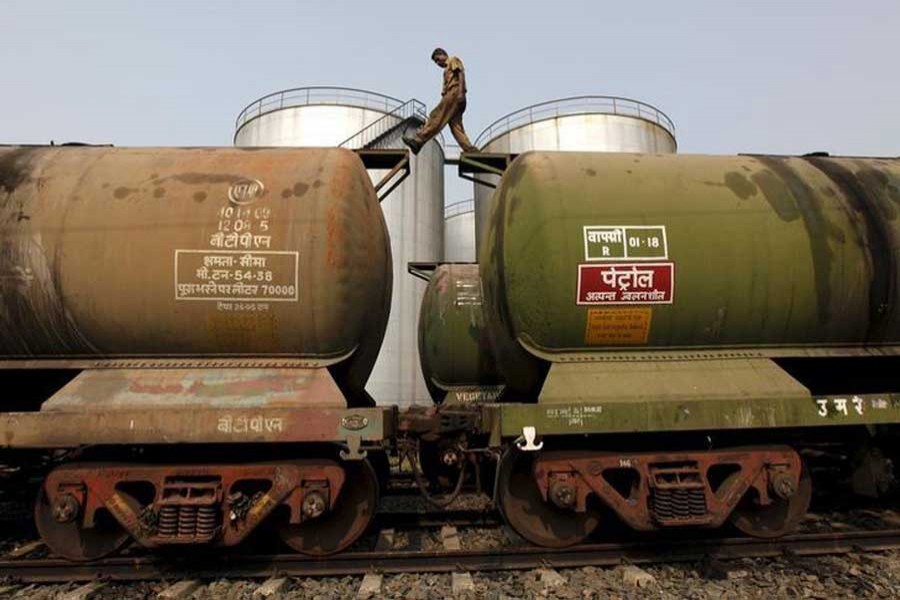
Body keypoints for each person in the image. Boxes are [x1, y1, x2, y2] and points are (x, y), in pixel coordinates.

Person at [403, 48, 478, 155]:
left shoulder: (452, 60)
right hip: (453, 96)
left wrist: (461, 92)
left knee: (436, 115)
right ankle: (470, 150)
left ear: (443, 55)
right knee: (455, 127)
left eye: (438, 59)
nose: (438, 63)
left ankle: (418, 140)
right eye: (436, 62)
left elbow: (460, 73)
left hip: (454, 92)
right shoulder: (445, 71)